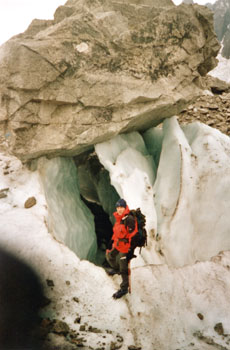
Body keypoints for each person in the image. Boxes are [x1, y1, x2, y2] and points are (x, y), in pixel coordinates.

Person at [106, 198, 138, 299]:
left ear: (125, 207)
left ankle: (124, 288)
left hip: (125, 247)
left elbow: (133, 234)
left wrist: (130, 249)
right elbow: (117, 233)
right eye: (118, 207)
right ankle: (116, 269)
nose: (119, 209)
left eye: (121, 207)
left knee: (123, 266)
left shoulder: (129, 219)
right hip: (118, 244)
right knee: (110, 255)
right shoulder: (119, 219)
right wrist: (111, 241)